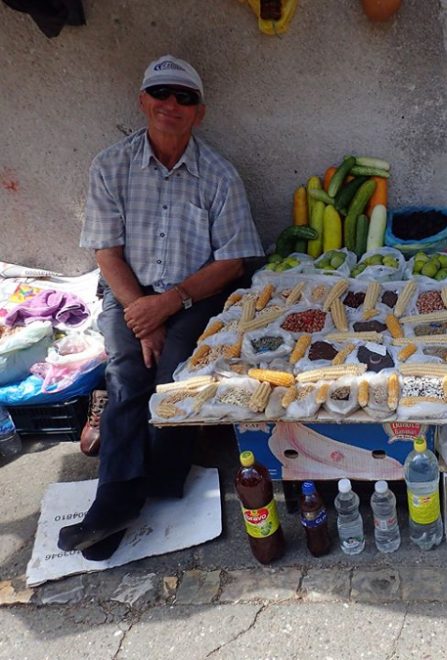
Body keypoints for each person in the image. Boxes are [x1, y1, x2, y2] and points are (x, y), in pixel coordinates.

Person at [59, 55, 264, 560]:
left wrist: (169, 304)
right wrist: (142, 314)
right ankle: (116, 499)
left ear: (199, 112)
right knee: (127, 371)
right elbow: (107, 253)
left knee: (176, 371)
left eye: (185, 97)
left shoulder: (218, 175)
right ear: (142, 101)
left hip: (194, 293)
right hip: (129, 291)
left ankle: (162, 480)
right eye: (161, 93)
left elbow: (233, 261)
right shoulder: (111, 166)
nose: (171, 104)